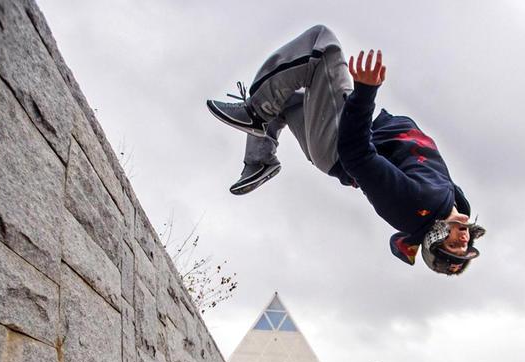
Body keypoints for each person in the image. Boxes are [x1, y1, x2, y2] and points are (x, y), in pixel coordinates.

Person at [206, 25, 485, 275]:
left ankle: (255, 111)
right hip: (337, 146)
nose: (463, 240)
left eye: (452, 244)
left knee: (322, 45)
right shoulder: (453, 202)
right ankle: (260, 159)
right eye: (465, 244)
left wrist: (365, 92)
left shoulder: (412, 206)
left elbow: (358, 155)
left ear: (436, 234)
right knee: (288, 98)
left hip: (341, 142)